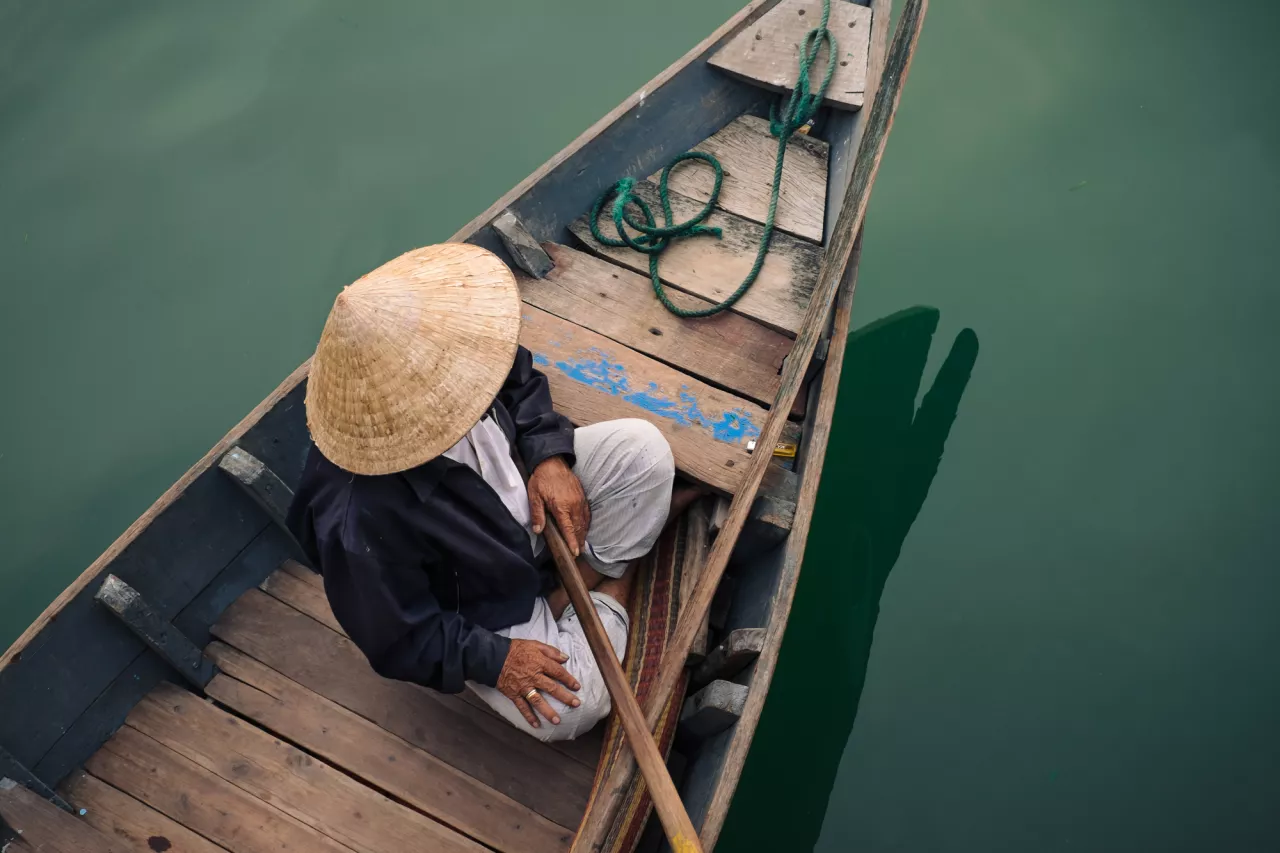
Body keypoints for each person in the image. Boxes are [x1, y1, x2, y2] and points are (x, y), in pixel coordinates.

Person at [286, 242, 680, 742]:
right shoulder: (355, 516)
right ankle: (616, 581)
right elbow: (401, 639)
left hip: (528, 511)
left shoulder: (456, 339)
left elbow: (519, 380)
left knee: (642, 451)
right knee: (576, 707)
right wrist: (496, 661)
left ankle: (588, 580)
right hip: (486, 594)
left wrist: (548, 456)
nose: (466, 383)